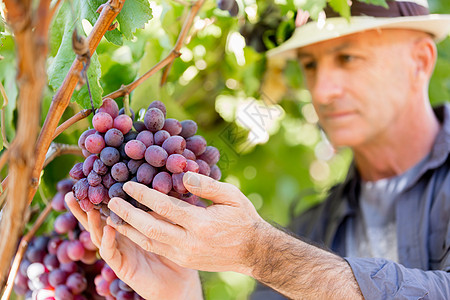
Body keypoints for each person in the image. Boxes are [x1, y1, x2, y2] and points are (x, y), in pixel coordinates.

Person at [66, 0, 450, 299]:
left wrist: (259, 253)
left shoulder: (286, 250)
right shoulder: (311, 229)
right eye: (310, 65)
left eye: (348, 58)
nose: (322, 90)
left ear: (420, 62)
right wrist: (180, 292)